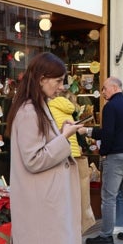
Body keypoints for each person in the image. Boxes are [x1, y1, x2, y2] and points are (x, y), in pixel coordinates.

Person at [5, 52, 87, 244]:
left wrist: (61, 132)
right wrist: (64, 138)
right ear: (41, 79)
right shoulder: (29, 111)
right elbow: (34, 158)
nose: (61, 86)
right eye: (58, 81)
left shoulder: (38, 106)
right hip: (41, 207)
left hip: (48, 203)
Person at [80, 77, 123, 244]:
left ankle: (106, 235)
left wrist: (104, 153)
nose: (103, 92)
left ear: (114, 88)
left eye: (105, 88)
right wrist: (89, 130)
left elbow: (107, 134)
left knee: (108, 197)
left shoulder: (110, 107)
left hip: (116, 157)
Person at [49, 90, 97, 234]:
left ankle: (63, 229)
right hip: (74, 153)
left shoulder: (49, 108)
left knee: (61, 196)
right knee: (75, 194)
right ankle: (78, 226)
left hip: (60, 153)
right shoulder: (69, 111)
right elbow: (75, 133)